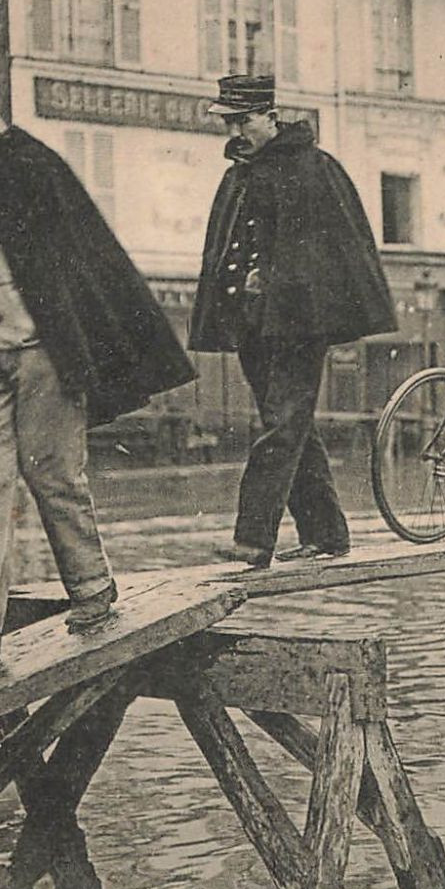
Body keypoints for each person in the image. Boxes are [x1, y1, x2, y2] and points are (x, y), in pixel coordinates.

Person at [0, 65, 195, 655]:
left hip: (41, 353)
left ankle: (93, 592)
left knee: (53, 473)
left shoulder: (38, 168)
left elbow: (89, 264)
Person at [190, 75, 395, 567]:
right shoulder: (240, 172)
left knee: (282, 425)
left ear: (269, 116)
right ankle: (326, 534)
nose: (236, 130)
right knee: (287, 424)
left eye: (243, 120)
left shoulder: (313, 169)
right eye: (229, 121)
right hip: (252, 324)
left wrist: (276, 280)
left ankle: (253, 538)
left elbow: (328, 254)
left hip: (301, 322)